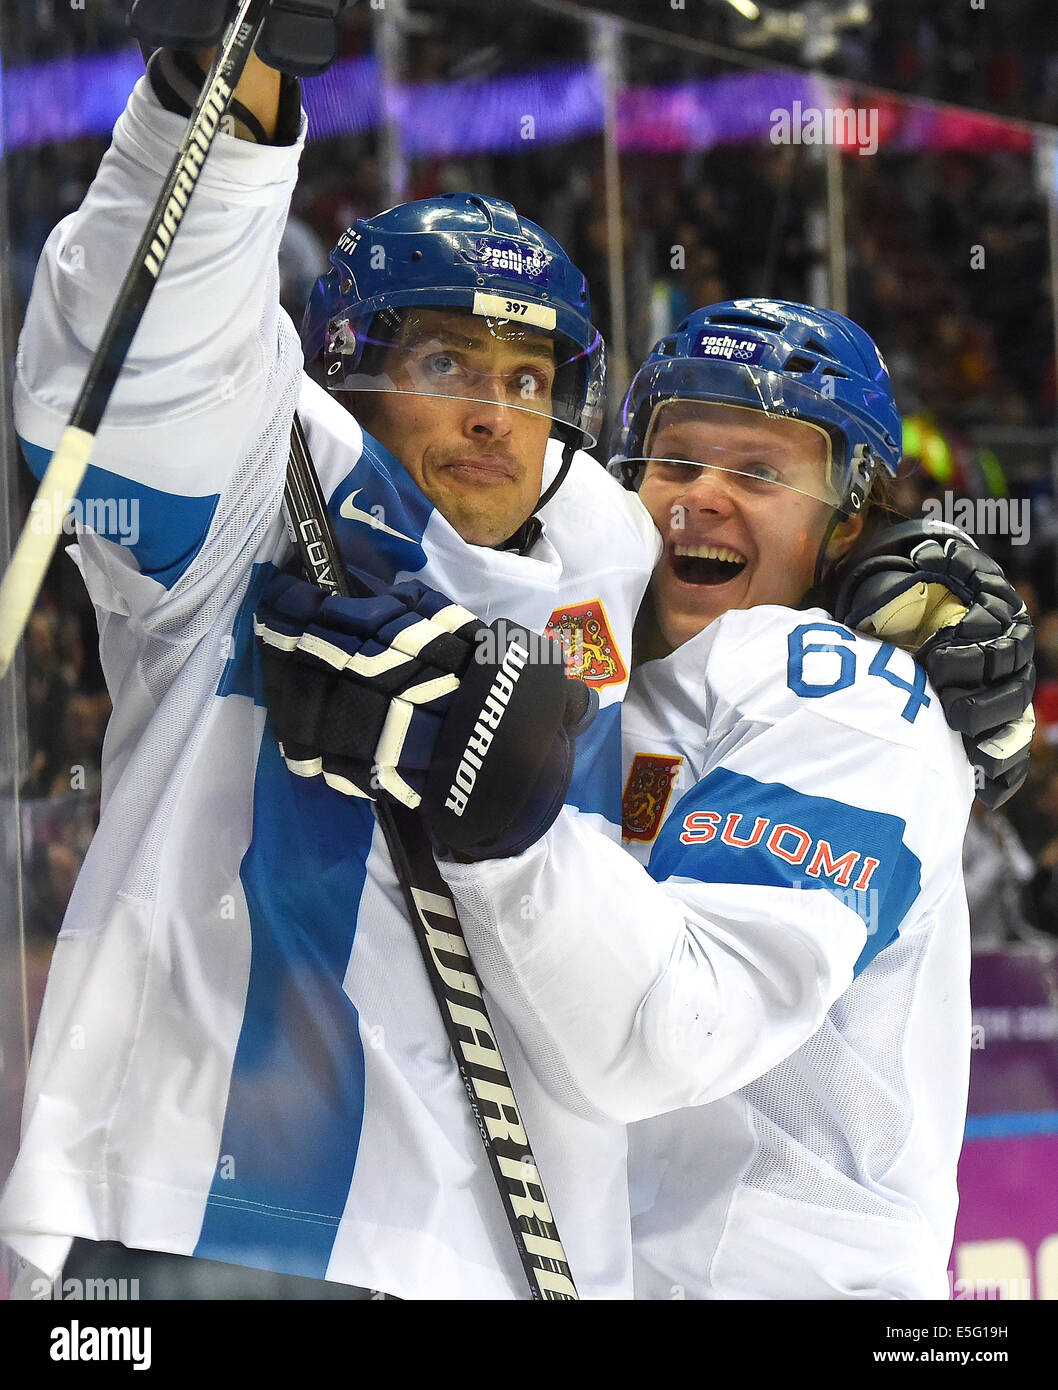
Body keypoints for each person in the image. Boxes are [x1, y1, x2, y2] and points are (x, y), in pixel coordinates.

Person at [0, 29, 658, 1299]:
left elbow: (736, 612)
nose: (492, 411)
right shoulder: (274, 473)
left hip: (500, 1253)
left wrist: (890, 613)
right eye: (443, 363)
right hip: (202, 1216)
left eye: (528, 378)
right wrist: (223, 85)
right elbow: (146, 358)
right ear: (351, 366)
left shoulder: (596, 547)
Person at [286, 300, 1028, 1298]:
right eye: (674, 463)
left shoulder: (845, 694)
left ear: (845, 518)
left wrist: (501, 806)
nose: (700, 499)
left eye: (760, 472)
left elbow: (679, 1028)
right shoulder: (588, 659)